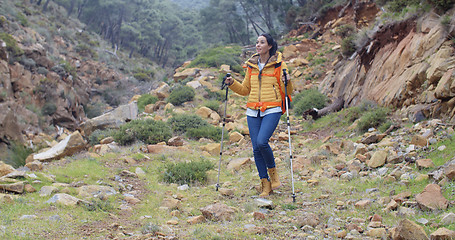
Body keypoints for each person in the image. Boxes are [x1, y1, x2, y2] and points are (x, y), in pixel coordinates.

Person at [224, 33, 292, 197]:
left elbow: (287, 92)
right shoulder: (252, 65)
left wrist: (288, 81)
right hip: (253, 110)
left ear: (269, 46)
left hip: (273, 108)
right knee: (255, 149)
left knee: (262, 142)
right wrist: (232, 83)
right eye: (256, 42)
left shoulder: (279, 65)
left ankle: (273, 174)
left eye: (262, 42)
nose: (258, 45)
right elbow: (245, 90)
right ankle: (265, 185)